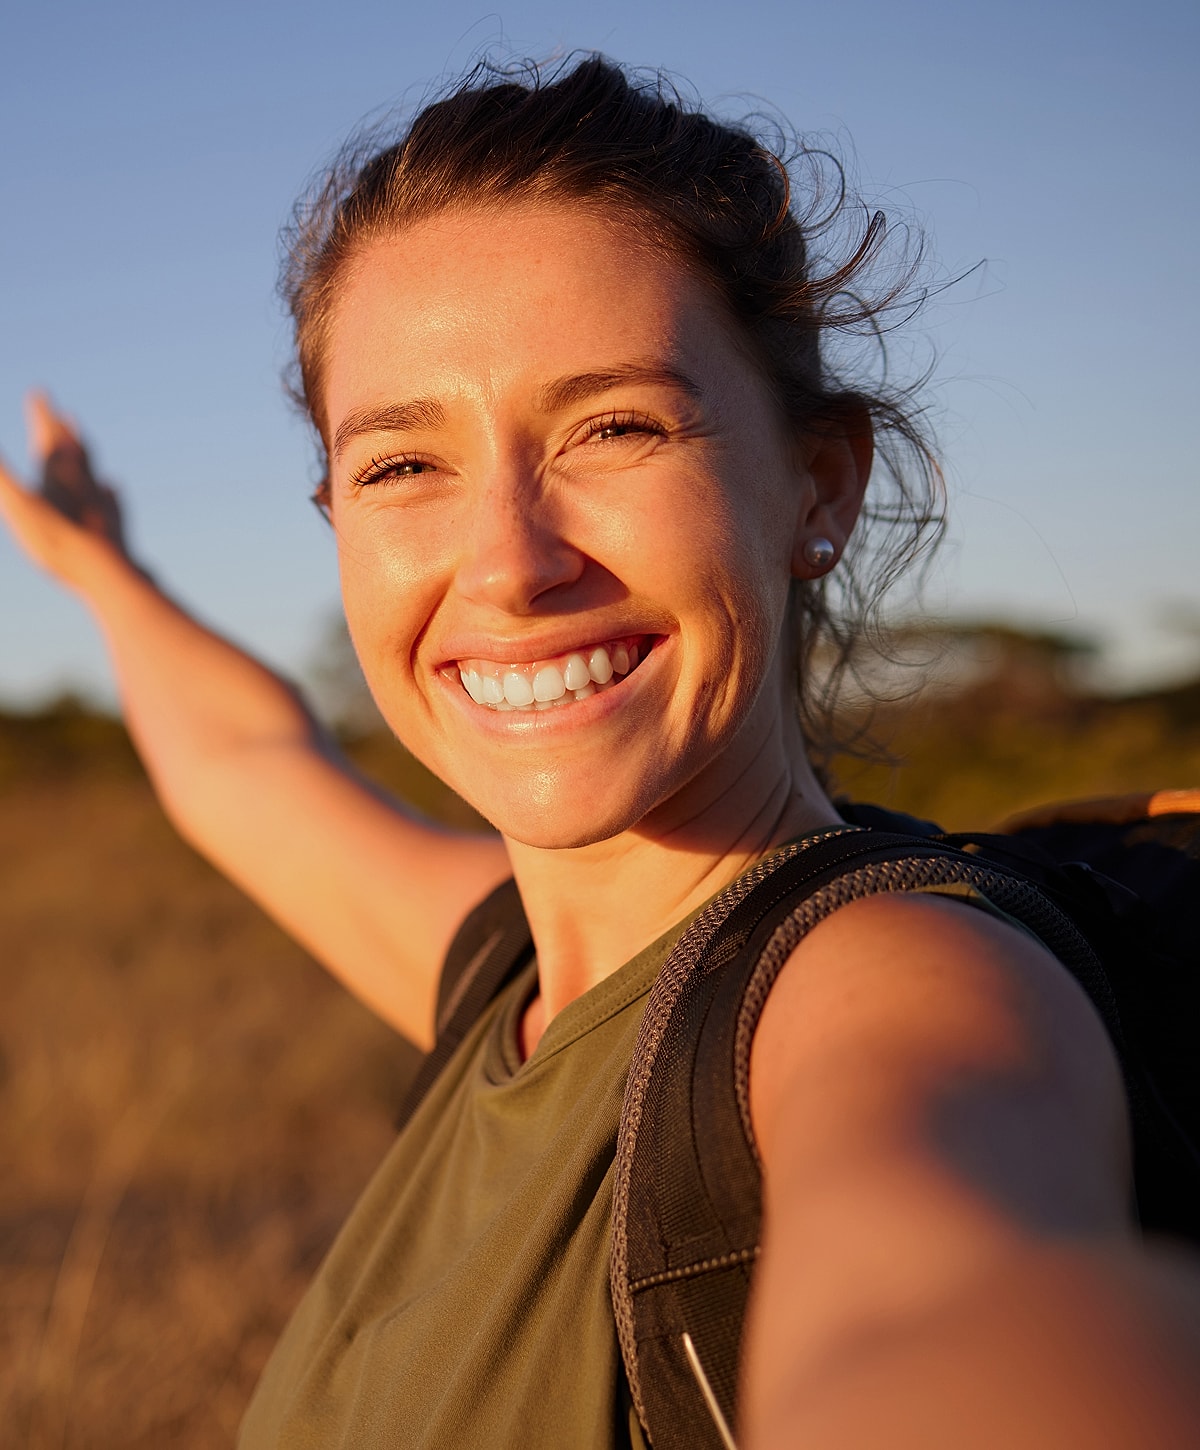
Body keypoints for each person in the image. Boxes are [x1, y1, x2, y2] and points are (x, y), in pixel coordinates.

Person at [2, 55, 1198, 1450]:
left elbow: (942, 1302)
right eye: (403, 465)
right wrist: (102, 573)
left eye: (614, 426)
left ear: (819, 483)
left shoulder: (887, 980)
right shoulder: (509, 969)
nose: (507, 564)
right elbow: (245, 769)